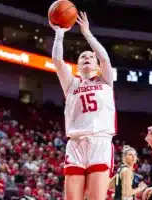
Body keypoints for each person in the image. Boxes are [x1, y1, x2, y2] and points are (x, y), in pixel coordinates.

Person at [49, 11, 116, 200]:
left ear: (96, 65)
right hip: (76, 144)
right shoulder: (71, 84)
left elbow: (104, 58)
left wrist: (87, 33)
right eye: (82, 57)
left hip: (100, 142)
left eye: (90, 56)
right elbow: (57, 60)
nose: (87, 57)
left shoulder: (105, 80)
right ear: (77, 66)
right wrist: (59, 33)